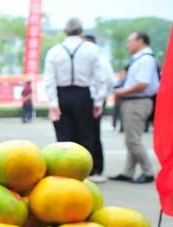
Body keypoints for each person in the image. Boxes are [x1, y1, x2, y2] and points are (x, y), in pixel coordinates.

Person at [43, 18, 106, 177]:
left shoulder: (54, 50)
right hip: (84, 94)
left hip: (62, 94)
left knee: (64, 136)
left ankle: (65, 171)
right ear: (81, 31)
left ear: (65, 31)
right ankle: (90, 170)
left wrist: (53, 103)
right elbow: (100, 77)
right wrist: (99, 100)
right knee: (87, 133)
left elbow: (49, 79)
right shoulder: (92, 49)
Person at [110, 32, 160, 184]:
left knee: (133, 140)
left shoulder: (145, 60)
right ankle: (128, 172)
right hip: (134, 101)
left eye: (129, 41)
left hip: (137, 101)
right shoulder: (140, 59)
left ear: (141, 41)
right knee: (131, 139)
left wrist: (120, 91)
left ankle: (148, 172)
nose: (127, 45)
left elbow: (142, 84)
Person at [83, 34, 116, 183]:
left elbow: (109, 81)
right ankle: (89, 168)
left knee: (92, 135)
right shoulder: (87, 61)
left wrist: (99, 100)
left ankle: (96, 168)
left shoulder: (100, 61)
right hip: (88, 100)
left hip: (96, 100)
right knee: (87, 134)